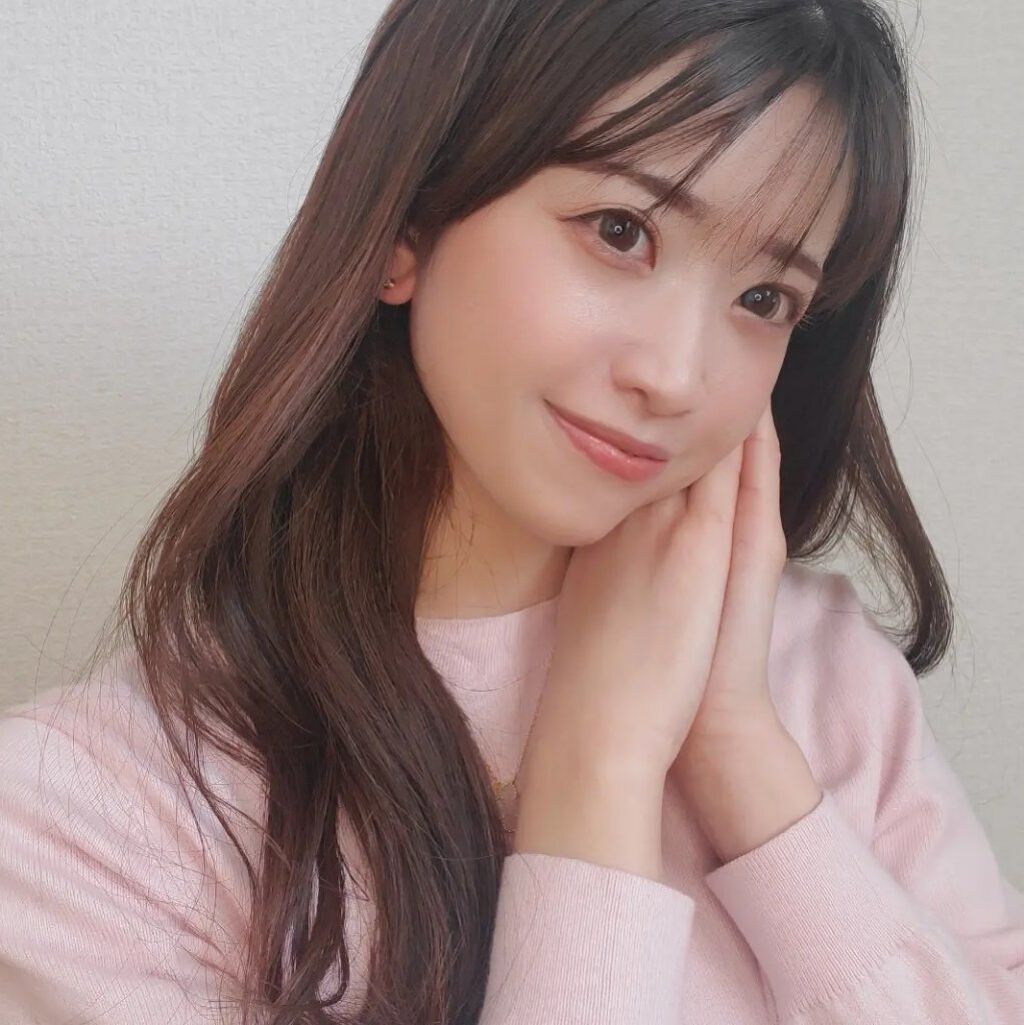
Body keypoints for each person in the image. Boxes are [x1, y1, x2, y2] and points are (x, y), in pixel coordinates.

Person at [2, 0, 1022, 1022]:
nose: (677, 375)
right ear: (406, 223)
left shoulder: (825, 672)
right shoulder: (92, 828)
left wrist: (739, 750)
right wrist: (597, 769)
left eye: (764, 299)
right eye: (621, 232)